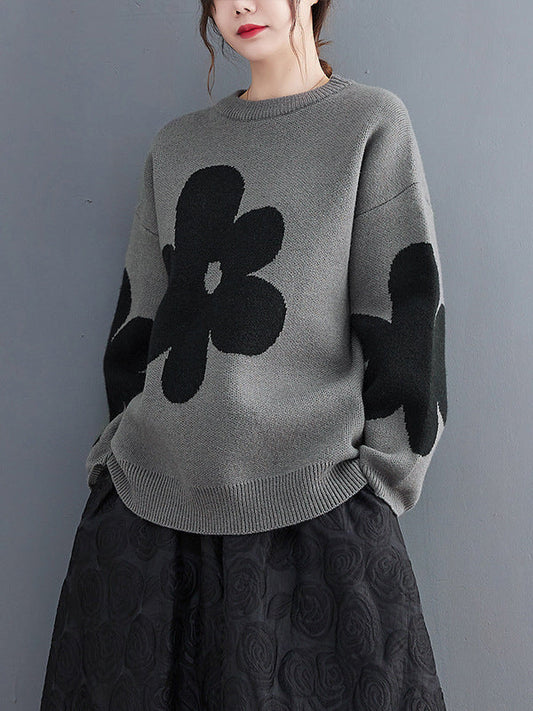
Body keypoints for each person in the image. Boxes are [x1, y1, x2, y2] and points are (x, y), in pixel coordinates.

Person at [40, 1, 448, 708]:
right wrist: (114, 459)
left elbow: (408, 311)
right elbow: (139, 320)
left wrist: (382, 479)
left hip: (315, 508)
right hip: (149, 518)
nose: (241, 5)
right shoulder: (176, 146)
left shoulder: (369, 125)